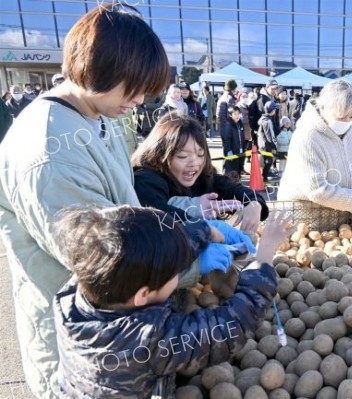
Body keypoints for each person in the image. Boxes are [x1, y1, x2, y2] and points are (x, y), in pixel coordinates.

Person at [0, 3, 177, 396]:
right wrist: (193, 249)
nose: (142, 99)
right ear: (96, 69)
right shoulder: (48, 150)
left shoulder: (101, 117)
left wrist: (181, 225)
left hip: (117, 330)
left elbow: (124, 208)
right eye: (133, 85)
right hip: (80, 348)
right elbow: (111, 265)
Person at [52, 205, 292, 397]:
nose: (180, 272)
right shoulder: (148, 339)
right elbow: (231, 326)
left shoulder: (74, 293)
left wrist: (204, 231)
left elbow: (147, 248)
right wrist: (264, 256)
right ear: (143, 296)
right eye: (176, 272)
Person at [132, 115, 268, 233]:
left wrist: (254, 203)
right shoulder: (146, 178)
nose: (194, 163)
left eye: (200, 154)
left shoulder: (203, 177)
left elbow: (235, 190)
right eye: (183, 156)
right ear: (159, 154)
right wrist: (200, 221)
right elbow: (154, 213)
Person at [278, 79, 352, 213]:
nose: (347, 121)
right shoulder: (307, 137)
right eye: (341, 117)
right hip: (305, 216)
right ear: (323, 107)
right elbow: (318, 190)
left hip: (340, 215)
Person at [257, 101, 279, 183]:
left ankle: (264, 176)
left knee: (268, 161)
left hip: (263, 144)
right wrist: (274, 145)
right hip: (266, 145)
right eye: (275, 109)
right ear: (272, 111)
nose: (275, 111)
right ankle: (264, 177)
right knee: (269, 161)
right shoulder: (267, 121)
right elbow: (270, 136)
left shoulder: (264, 119)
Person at [222, 105, 245, 176]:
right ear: (230, 115)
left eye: (238, 114)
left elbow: (242, 136)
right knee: (230, 169)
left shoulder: (240, 123)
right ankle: (228, 182)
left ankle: (236, 181)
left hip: (239, 150)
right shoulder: (228, 125)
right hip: (232, 150)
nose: (237, 116)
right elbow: (226, 139)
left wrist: (243, 147)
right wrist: (229, 151)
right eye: (235, 114)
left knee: (237, 168)